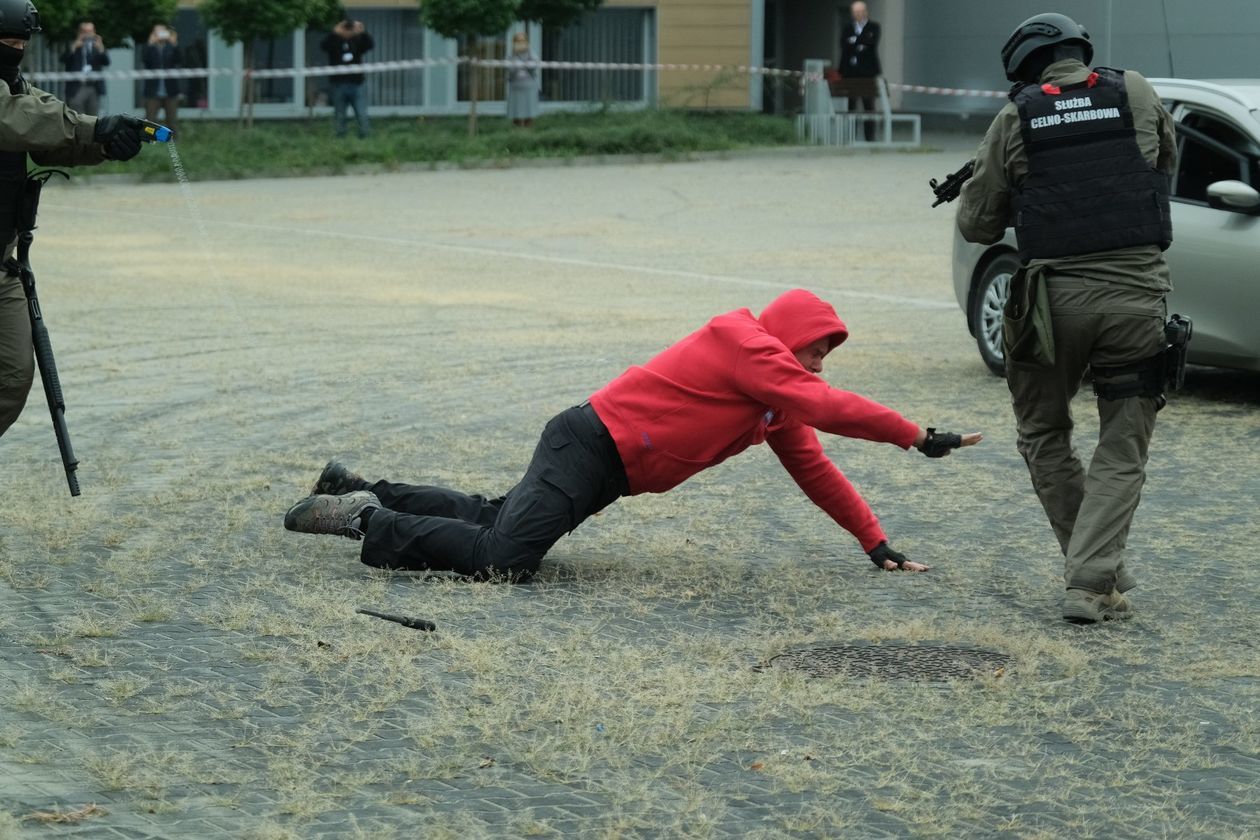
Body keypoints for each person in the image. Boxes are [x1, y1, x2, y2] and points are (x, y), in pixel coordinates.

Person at [284, 289, 982, 581]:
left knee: (498, 519)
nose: (819, 365)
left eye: (827, 354)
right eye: (816, 349)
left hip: (603, 468)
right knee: (506, 558)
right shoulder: (744, 340)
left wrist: (875, 543)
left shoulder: (778, 403)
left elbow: (817, 469)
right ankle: (367, 521)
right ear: (787, 339)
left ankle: (358, 487)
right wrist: (915, 436)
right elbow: (826, 404)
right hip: (587, 444)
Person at [956, 13, 1177, 624]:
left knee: (1044, 432)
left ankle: (1091, 575)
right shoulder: (1135, 89)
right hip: (1136, 297)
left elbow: (976, 224)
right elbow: (1161, 170)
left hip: (1047, 307)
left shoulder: (1015, 116)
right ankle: (1095, 575)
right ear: (1082, 50)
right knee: (1123, 443)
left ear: (1022, 68)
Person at [0, 0, 151, 440]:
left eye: (21, 44)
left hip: (3, 261)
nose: (16, 50)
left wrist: (104, 142)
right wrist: (92, 126)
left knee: (12, 375)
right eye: (6, 43)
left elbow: (44, 131)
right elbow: (15, 120)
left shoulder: (14, 83)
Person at [320, 15, 374, 139]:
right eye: (346, 28)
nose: (348, 31)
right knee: (340, 116)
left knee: (362, 114)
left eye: (349, 28)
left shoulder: (357, 40)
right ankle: (340, 140)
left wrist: (362, 32)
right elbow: (323, 46)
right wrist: (334, 33)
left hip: (357, 84)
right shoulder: (334, 41)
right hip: (338, 84)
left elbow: (370, 45)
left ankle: (366, 138)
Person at [839, 1, 881, 142]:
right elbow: (843, 45)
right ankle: (851, 138)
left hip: (867, 73)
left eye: (860, 11)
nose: (858, 14)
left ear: (866, 12)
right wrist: (860, 42)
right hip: (850, 73)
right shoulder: (847, 28)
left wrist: (854, 41)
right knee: (851, 105)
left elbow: (871, 43)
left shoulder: (874, 27)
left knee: (868, 105)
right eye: (855, 12)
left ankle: (869, 138)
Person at [60, 20, 109, 116]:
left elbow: (106, 62)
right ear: (79, 32)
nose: (87, 34)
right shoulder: (73, 45)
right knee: (76, 117)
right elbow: (64, 60)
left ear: (94, 32)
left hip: (94, 87)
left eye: (90, 31)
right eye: (84, 32)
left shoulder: (97, 47)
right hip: (77, 87)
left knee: (93, 117)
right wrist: (73, 47)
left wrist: (101, 48)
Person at [141, 22, 181, 133]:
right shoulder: (150, 47)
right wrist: (150, 44)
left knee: (172, 121)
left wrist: (174, 44)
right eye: (157, 32)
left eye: (162, 32)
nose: (160, 34)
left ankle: (173, 144)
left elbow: (179, 60)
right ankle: (148, 143)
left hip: (170, 90)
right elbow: (145, 60)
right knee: (150, 121)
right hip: (153, 90)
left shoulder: (170, 47)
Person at [506, 31, 539, 128]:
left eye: (523, 40)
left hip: (529, 87)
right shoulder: (510, 55)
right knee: (516, 112)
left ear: (527, 42)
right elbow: (510, 69)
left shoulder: (531, 53)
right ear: (514, 42)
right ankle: (517, 134)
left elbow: (534, 66)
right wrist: (516, 58)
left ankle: (528, 133)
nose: (520, 43)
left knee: (529, 112)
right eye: (518, 41)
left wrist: (528, 54)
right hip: (516, 88)